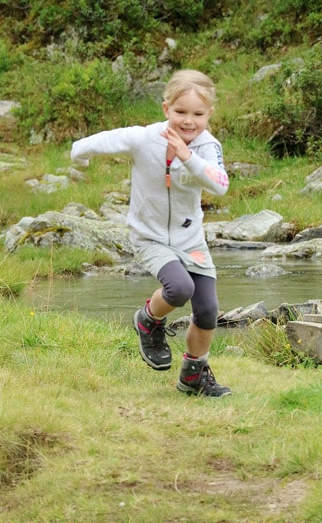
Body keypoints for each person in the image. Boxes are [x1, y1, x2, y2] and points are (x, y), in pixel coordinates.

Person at [71, 69, 231, 397]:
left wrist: (188, 157)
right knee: (180, 287)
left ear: (209, 114)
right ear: (165, 109)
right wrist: (81, 159)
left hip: (191, 239)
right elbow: (90, 144)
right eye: (180, 112)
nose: (189, 121)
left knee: (207, 310)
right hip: (149, 236)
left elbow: (220, 184)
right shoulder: (144, 138)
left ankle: (193, 376)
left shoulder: (207, 146)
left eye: (198, 114)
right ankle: (148, 320)